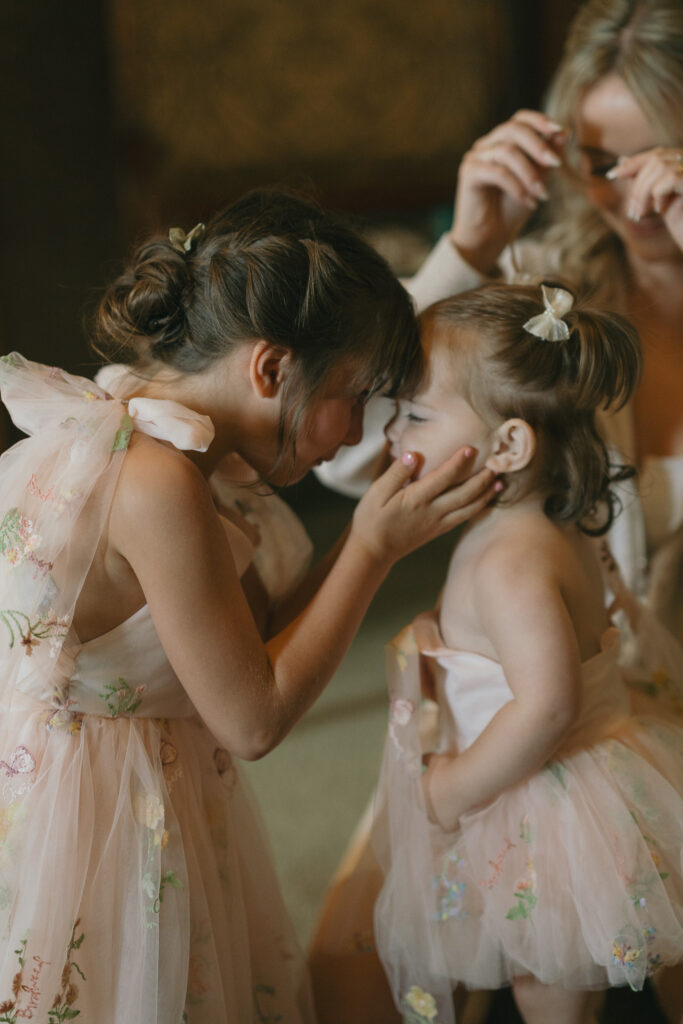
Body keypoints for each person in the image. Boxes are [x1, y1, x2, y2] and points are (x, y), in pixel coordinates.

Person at [0, 188, 498, 1024]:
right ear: (269, 366)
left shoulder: (167, 427)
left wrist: (373, 532)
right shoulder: (154, 478)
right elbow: (254, 718)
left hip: (155, 776)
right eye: (356, 397)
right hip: (97, 813)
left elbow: (252, 636)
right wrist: (370, 551)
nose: (355, 436)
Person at [315, 0, 683, 638]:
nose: (636, 199)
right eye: (602, 166)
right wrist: (467, 249)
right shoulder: (539, 301)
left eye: (668, 157)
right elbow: (346, 454)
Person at [373, 282, 683, 1024]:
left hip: (545, 796)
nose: (391, 435)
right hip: (582, 772)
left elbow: (546, 705)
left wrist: (451, 790)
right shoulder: (550, 523)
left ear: (508, 444)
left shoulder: (509, 561)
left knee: (548, 973)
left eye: (415, 415)